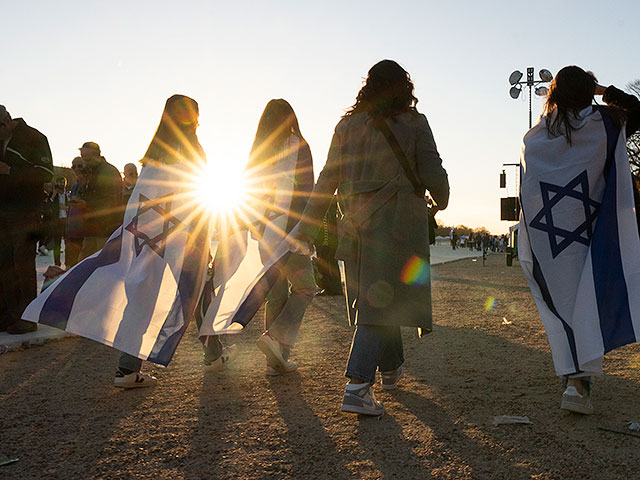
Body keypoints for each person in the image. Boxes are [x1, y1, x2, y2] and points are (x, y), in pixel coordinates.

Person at [297, 60, 449, 415]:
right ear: (403, 88)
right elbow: (431, 169)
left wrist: (305, 228)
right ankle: (357, 385)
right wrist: (441, 199)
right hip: (398, 223)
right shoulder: (414, 123)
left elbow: (326, 180)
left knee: (380, 296)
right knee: (380, 304)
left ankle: (391, 370)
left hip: (357, 225)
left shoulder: (346, 127)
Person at [519, 66, 640, 414]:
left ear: (553, 94)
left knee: (566, 301)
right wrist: (602, 91)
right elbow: (638, 109)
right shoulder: (606, 122)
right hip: (594, 227)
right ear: (589, 91)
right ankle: (577, 382)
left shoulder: (535, 137)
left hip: (552, 232)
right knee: (589, 298)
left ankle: (574, 380)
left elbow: (531, 189)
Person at [114, 94, 236, 388]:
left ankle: (126, 369)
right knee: (197, 292)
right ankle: (213, 355)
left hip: (153, 236)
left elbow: (140, 203)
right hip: (186, 237)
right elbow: (198, 198)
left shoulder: (153, 155)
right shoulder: (193, 151)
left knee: (142, 295)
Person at [247, 99, 317, 376]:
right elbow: (306, 190)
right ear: (291, 119)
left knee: (275, 295)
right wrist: (306, 231)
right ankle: (276, 341)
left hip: (264, 231)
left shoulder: (258, 152)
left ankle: (274, 363)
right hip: (291, 227)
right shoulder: (298, 145)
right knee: (305, 288)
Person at [0, 105, 54, 334]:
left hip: (26, 212)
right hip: (3, 212)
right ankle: (7, 315)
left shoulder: (33, 137)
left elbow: (46, 173)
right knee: (4, 265)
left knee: (22, 264)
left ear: (6, 122)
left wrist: (10, 172)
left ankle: (27, 317)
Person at [76, 142, 122, 260]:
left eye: (88, 159)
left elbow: (111, 200)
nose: (85, 162)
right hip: (92, 227)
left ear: (97, 155)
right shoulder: (91, 171)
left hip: (106, 227)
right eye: (83, 158)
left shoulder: (108, 171)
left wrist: (87, 204)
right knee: (85, 261)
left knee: (101, 262)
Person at [65, 157, 88, 268]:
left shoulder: (90, 185)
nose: (76, 169)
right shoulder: (74, 186)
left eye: (80, 166)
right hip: (72, 232)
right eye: (74, 166)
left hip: (85, 233)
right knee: (70, 265)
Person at [49, 176, 69, 267]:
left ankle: (68, 263)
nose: (61, 184)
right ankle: (57, 264)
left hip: (66, 220)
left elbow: (71, 205)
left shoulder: (67, 194)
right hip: (57, 221)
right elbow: (48, 205)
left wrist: (65, 207)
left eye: (62, 182)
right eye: (59, 182)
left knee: (68, 243)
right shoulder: (53, 194)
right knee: (57, 244)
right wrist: (53, 194)